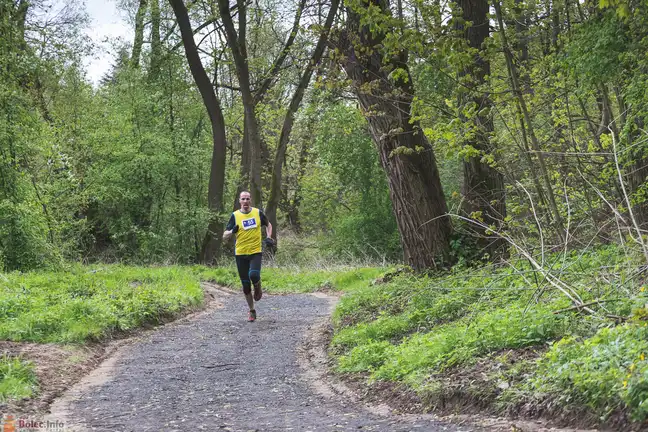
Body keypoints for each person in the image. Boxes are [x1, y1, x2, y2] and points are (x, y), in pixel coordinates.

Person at [223, 191, 273, 322]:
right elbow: (224, 236)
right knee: (245, 285)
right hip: (240, 253)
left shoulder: (257, 213)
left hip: (255, 251)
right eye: (243, 199)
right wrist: (232, 231)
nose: (245, 201)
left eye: (248, 199)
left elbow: (269, 224)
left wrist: (269, 237)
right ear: (239, 201)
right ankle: (252, 310)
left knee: (254, 275)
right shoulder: (235, 215)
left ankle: (257, 286)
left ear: (250, 200)